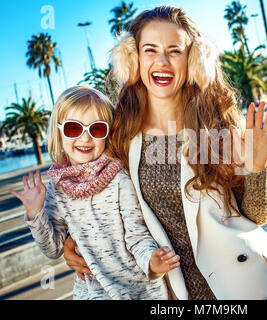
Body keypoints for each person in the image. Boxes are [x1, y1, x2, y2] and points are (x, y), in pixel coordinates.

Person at [64, 6, 267, 300]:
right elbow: (94, 202)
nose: (162, 61)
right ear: (134, 58)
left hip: (245, 286)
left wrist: (256, 166)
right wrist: (72, 240)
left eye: (174, 51)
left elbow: (256, 215)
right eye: (150, 50)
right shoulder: (120, 136)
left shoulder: (217, 125)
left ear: (192, 59)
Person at [10, 85, 180, 300]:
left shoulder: (119, 179)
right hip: (90, 293)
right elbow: (53, 248)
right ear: (59, 131)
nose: (85, 138)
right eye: (74, 128)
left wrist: (152, 262)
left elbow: (136, 235)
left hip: (140, 292)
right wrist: (35, 214)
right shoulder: (58, 187)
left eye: (96, 129)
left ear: (107, 134)